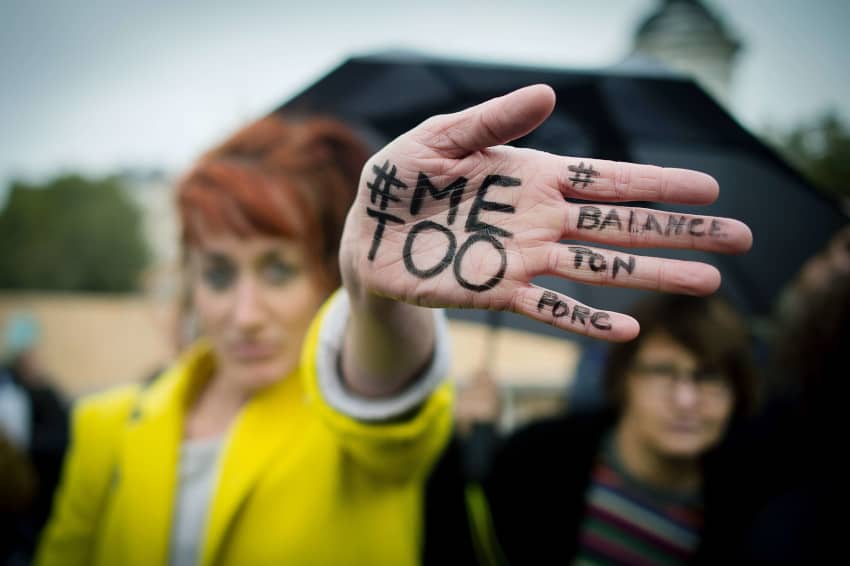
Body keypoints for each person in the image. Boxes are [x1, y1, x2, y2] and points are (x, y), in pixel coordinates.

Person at [36, 84, 752, 565]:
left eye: (278, 270)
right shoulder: (104, 426)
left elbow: (379, 395)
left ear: (326, 271)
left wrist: (374, 294)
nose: (244, 313)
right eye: (220, 272)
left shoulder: (364, 416)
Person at [477, 294, 758, 564]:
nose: (686, 400)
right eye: (662, 371)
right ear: (624, 378)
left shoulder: (752, 510)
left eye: (708, 377)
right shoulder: (535, 460)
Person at [0, 313, 68, 565]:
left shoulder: (39, 389)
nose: (38, 357)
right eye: (33, 352)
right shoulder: (17, 392)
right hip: (28, 501)